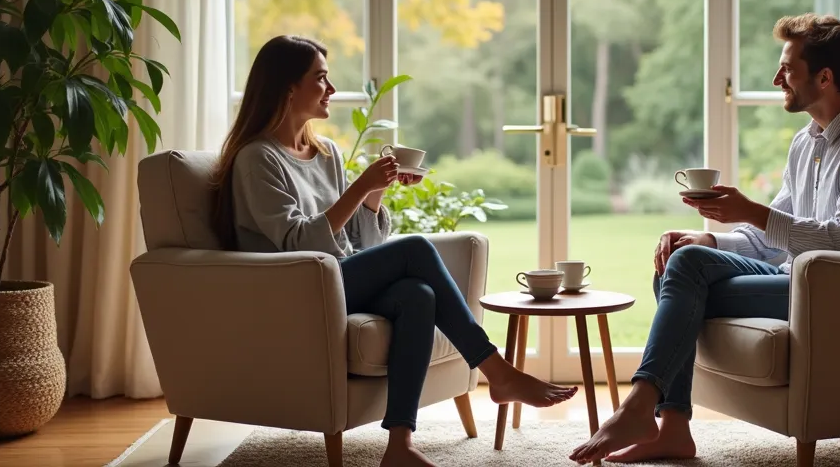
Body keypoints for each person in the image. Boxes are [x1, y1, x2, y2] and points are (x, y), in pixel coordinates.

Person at [210, 35, 577, 467]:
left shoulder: (325, 152)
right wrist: (360, 186)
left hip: (337, 281)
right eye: (321, 79)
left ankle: (399, 445)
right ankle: (497, 371)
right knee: (416, 249)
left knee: (417, 295)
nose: (330, 89)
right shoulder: (258, 159)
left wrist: (373, 195)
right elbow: (299, 243)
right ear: (288, 87)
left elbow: (358, 244)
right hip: (295, 290)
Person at [569, 14, 840, 465]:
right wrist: (709, 239)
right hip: (796, 278)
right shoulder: (807, 142)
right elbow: (773, 239)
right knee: (686, 259)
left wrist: (753, 211)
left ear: (825, 77)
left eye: (788, 69)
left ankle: (643, 406)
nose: (777, 79)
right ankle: (670, 427)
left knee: (683, 281)